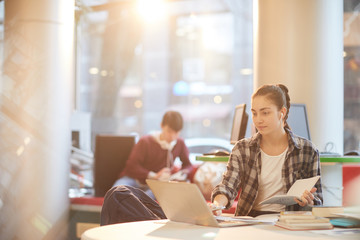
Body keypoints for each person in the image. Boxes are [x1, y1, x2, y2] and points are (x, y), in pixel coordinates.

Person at [211, 84, 323, 217]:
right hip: (251, 220)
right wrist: (217, 205)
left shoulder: (307, 150)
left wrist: (309, 201)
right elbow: (227, 186)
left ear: (282, 112)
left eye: (265, 113)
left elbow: (317, 200)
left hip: (289, 221)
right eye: (254, 113)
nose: (258, 120)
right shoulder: (242, 149)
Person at [112, 110, 193, 199]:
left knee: (146, 199)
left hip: (157, 184)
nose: (172, 137)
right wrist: (154, 175)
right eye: (169, 132)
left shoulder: (179, 143)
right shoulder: (146, 141)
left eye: (176, 133)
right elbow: (131, 166)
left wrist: (182, 173)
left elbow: (188, 165)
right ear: (161, 126)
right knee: (116, 192)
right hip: (134, 179)